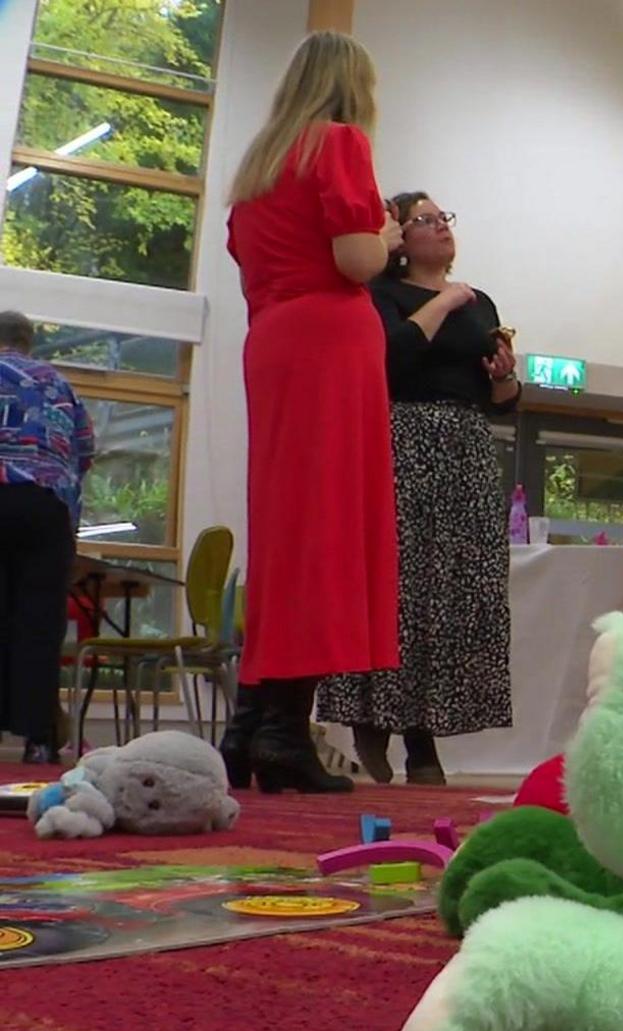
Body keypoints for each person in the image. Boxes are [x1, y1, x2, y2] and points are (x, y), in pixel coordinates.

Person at [220, 30, 402, 794]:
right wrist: (389, 234)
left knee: (285, 528)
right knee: (324, 527)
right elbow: (357, 260)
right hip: (330, 341)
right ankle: (284, 732)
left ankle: (252, 721)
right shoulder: (339, 143)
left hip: (272, 341)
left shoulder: (257, 170)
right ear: (349, 86)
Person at [317, 191, 520, 785]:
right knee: (398, 588)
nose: (441, 229)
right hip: (400, 440)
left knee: (454, 592)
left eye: (444, 219)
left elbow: (501, 403)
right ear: (401, 240)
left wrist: (506, 376)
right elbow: (389, 357)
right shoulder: (380, 295)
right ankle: (374, 721)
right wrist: (443, 303)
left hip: (465, 449)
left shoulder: (480, 303)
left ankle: (427, 734)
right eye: (425, 221)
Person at [0, 312, 93, 765]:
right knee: (39, 624)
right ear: (28, 342)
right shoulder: (61, 384)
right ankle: (38, 739)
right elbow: (84, 453)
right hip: (46, 505)